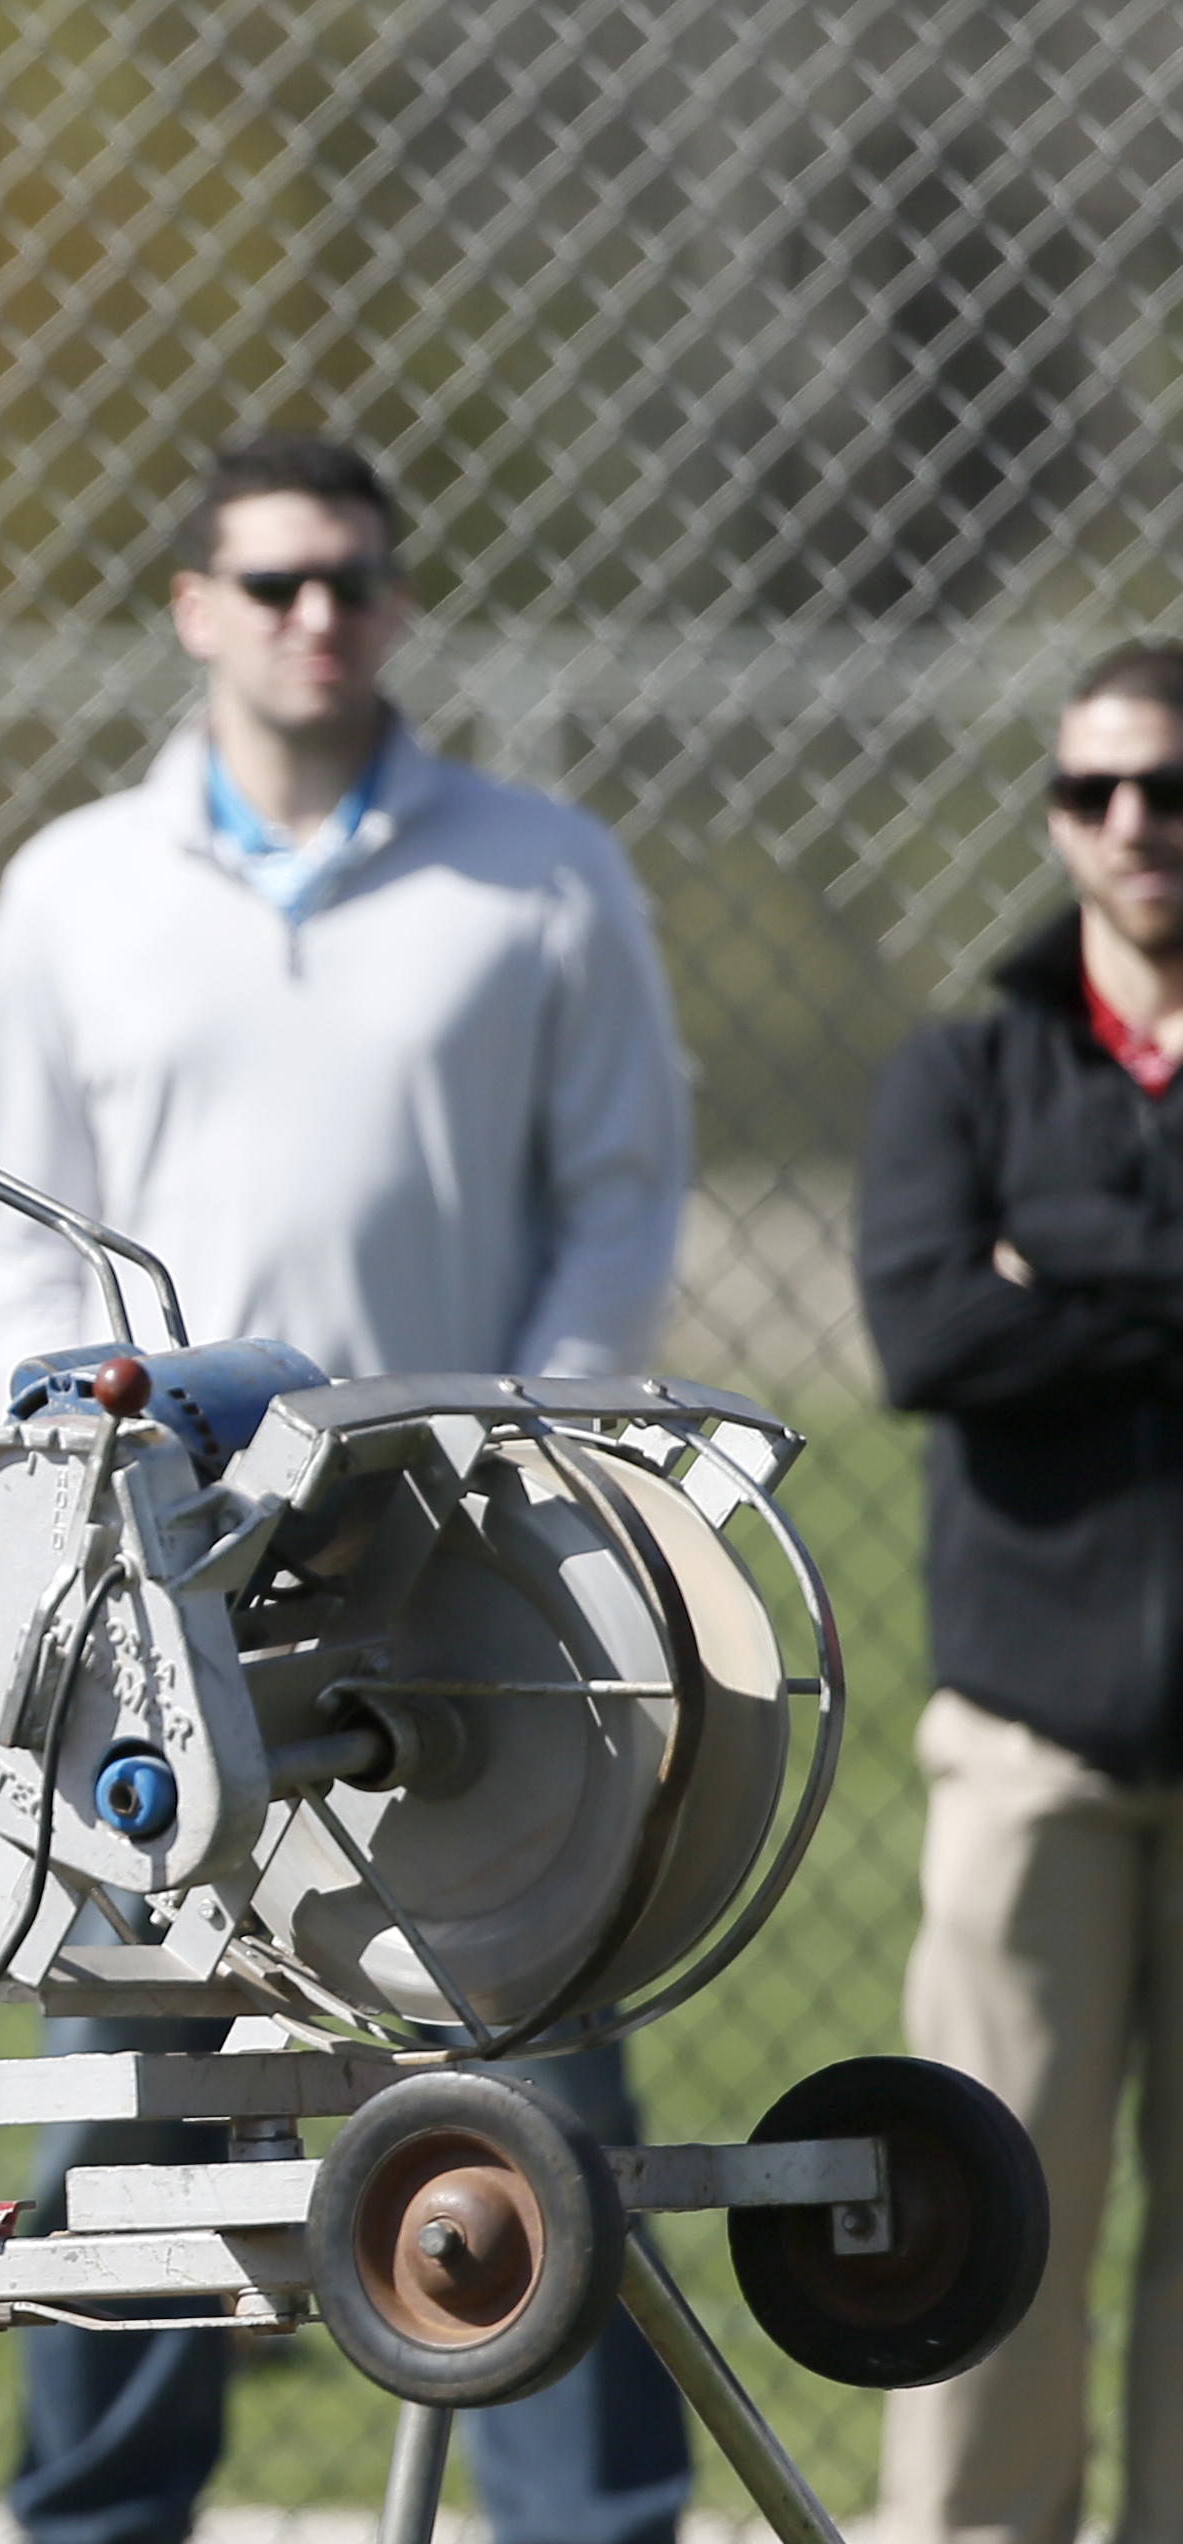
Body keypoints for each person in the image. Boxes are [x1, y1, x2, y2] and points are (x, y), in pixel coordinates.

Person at [0, 434, 695, 2544]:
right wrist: (82, 1480)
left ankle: (588, 2521)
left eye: (352, 581)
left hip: (475, 1585)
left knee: (529, 2077)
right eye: (270, 583)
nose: (315, 618)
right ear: (193, 605)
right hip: (164, 1599)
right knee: (136, 2095)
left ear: (395, 604)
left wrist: (525, 1458)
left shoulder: (537, 872)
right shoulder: (75, 889)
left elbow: (620, 1196)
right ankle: (99, 2514)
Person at [857, 640, 1183, 2544]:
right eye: (1095, 793)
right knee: (992, 2225)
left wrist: (1048, 1275)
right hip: (1027, 1745)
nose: (1134, 828)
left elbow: (999, 1316)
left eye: (1171, 791)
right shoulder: (961, 1066)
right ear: (1059, 814)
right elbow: (921, 1332)